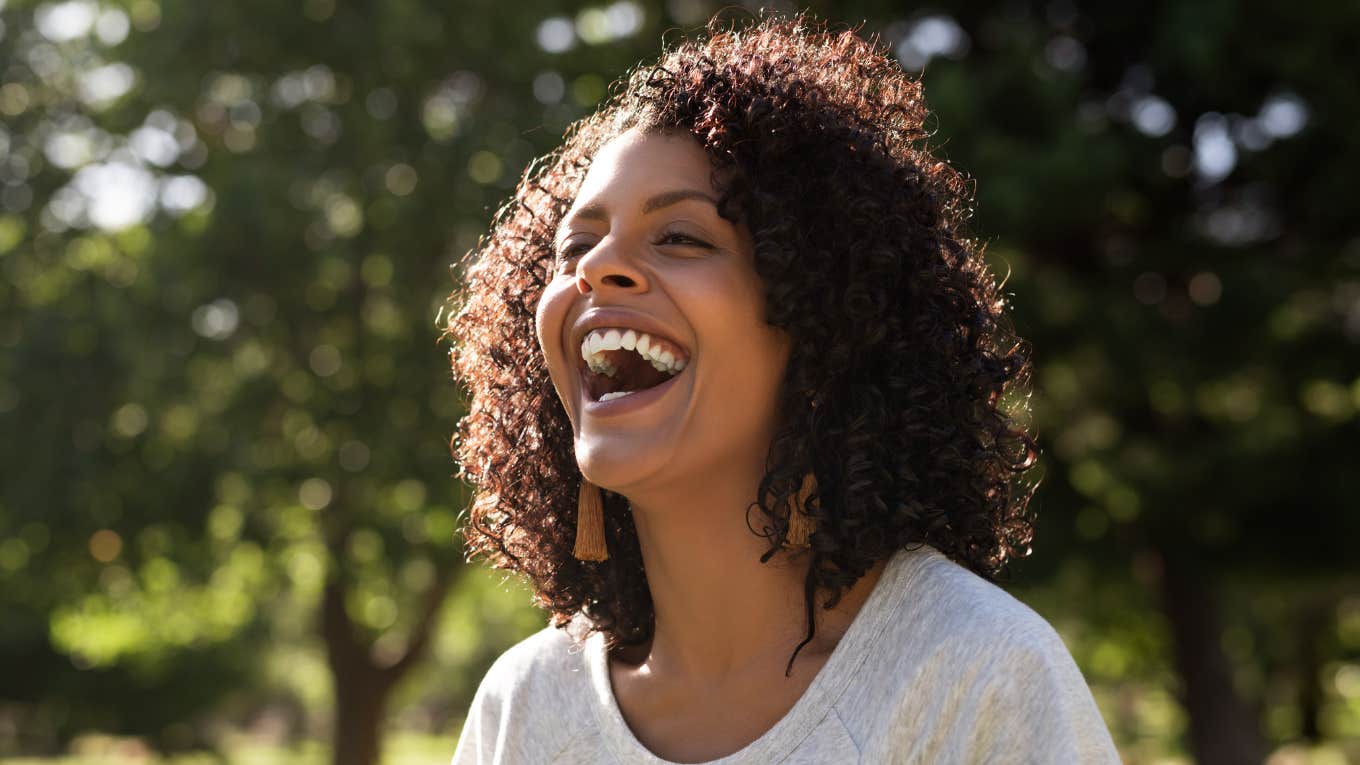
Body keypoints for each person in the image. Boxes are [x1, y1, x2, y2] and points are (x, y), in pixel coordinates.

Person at [444, 11, 1120, 764]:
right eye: (576, 244)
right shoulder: (526, 703)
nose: (597, 267)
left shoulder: (976, 672)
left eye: (681, 237)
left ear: (824, 320)